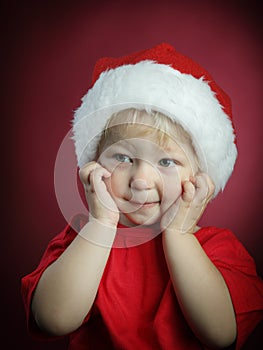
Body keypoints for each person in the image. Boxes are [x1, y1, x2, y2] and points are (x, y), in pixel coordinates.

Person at [21, 43, 263, 349]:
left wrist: (179, 233)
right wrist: (102, 225)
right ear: (95, 164)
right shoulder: (82, 239)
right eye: (123, 157)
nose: (140, 181)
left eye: (166, 162)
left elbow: (219, 335)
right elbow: (53, 319)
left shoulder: (218, 249)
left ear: (199, 178)